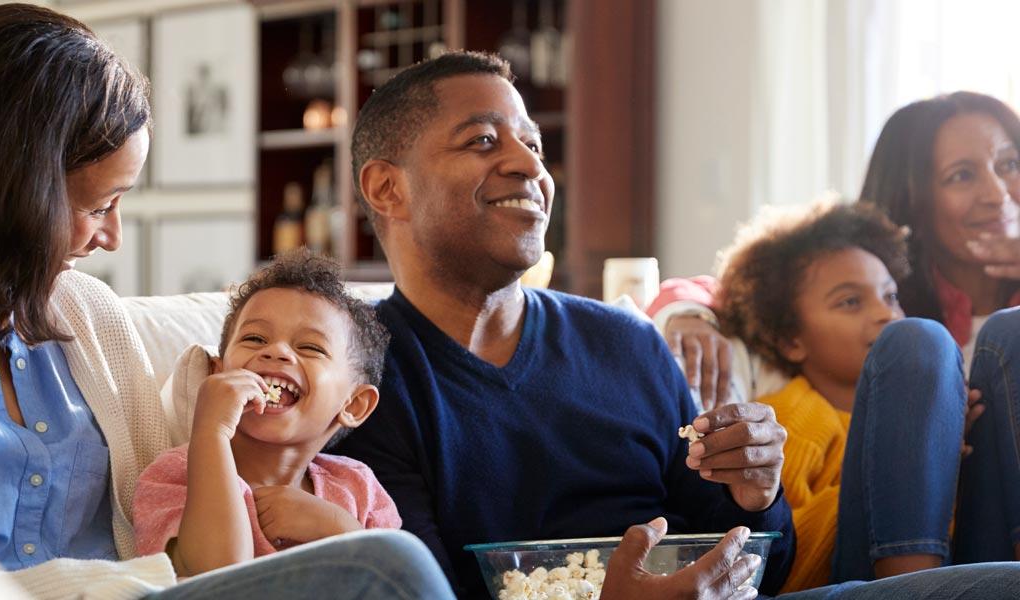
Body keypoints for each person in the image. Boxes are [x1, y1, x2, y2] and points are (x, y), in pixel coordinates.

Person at [0, 5, 453, 599]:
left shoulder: (86, 316)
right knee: (384, 567)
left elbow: (182, 522)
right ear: (5, 193)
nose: (112, 236)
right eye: (97, 206)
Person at [334, 49, 795, 599]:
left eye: (533, 145)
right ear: (388, 188)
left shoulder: (627, 344)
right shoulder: (359, 380)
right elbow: (421, 591)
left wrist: (758, 495)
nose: (530, 167)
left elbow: (758, 565)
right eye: (482, 140)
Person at [649, 92, 1020, 565]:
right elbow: (738, 293)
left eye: (1009, 163)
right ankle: (908, 586)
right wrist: (686, 309)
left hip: (982, 546)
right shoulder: (820, 400)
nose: (997, 193)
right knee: (917, 343)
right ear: (915, 201)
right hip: (888, 562)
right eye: (962, 175)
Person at [711, 200, 986, 588]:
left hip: (966, 572)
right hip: (856, 583)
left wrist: (937, 454)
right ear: (791, 339)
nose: (884, 314)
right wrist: (907, 457)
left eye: (890, 296)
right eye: (851, 301)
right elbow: (789, 565)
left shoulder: (947, 409)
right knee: (918, 340)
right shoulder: (791, 417)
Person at [134, 250, 402, 575]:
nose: (275, 351)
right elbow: (214, 581)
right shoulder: (175, 475)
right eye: (255, 338)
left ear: (353, 404)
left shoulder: (358, 488)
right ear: (216, 375)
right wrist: (210, 432)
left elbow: (403, 582)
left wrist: (339, 530)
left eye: (310, 347)